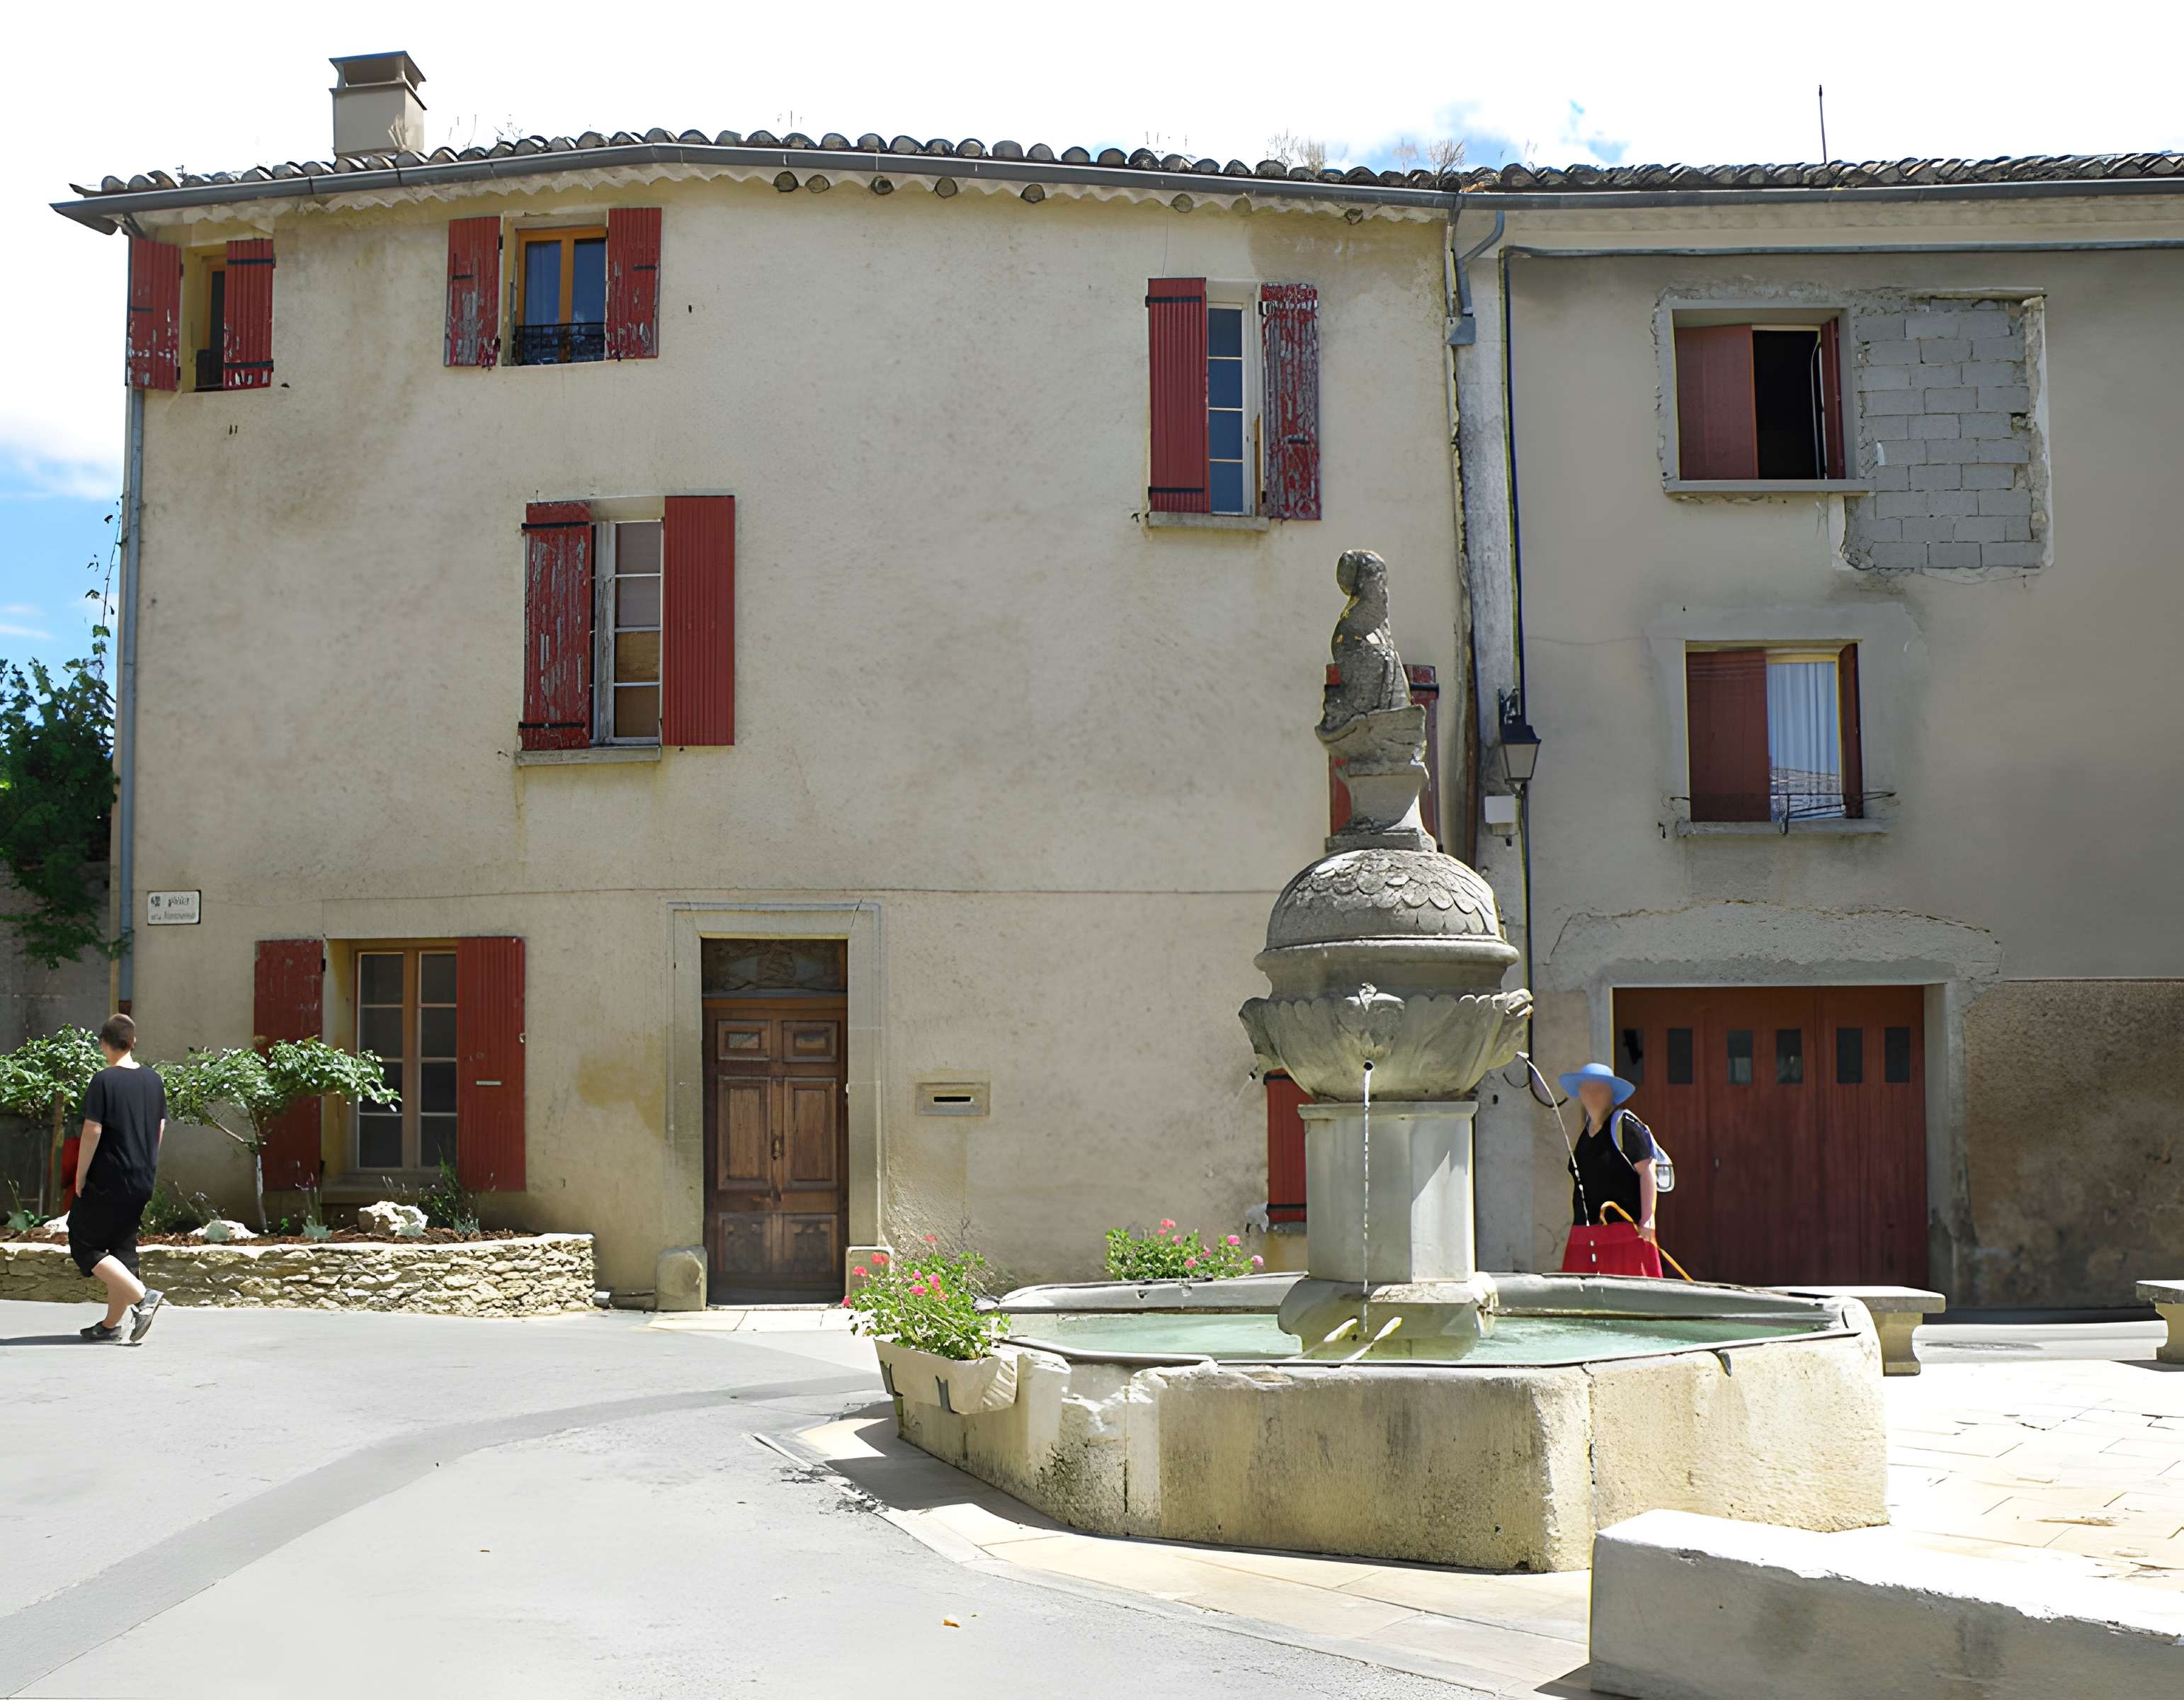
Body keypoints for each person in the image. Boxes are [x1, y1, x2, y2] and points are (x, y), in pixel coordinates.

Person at [70, 1014, 166, 1344]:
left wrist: (80, 1175)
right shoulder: (155, 1080)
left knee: (84, 1243)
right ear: (133, 1041)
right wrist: (147, 1165)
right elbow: (159, 1129)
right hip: (142, 1178)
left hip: (108, 1178)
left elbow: (92, 1130)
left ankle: (144, 1298)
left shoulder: (104, 1080)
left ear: (103, 1043)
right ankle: (112, 1325)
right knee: (122, 1250)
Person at [1557, 1061, 1664, 1279]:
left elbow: (1647, 1170)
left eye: (1598, 1090)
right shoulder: (1585, 1136)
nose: (1592, 1095)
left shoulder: (1624, 1126)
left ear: (1611, 1094)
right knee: (1579, 1303)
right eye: (1587, 1089)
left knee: (1632, 1299)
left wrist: (1647, 1219)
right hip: (1584, 1234)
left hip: (1623, 1234)